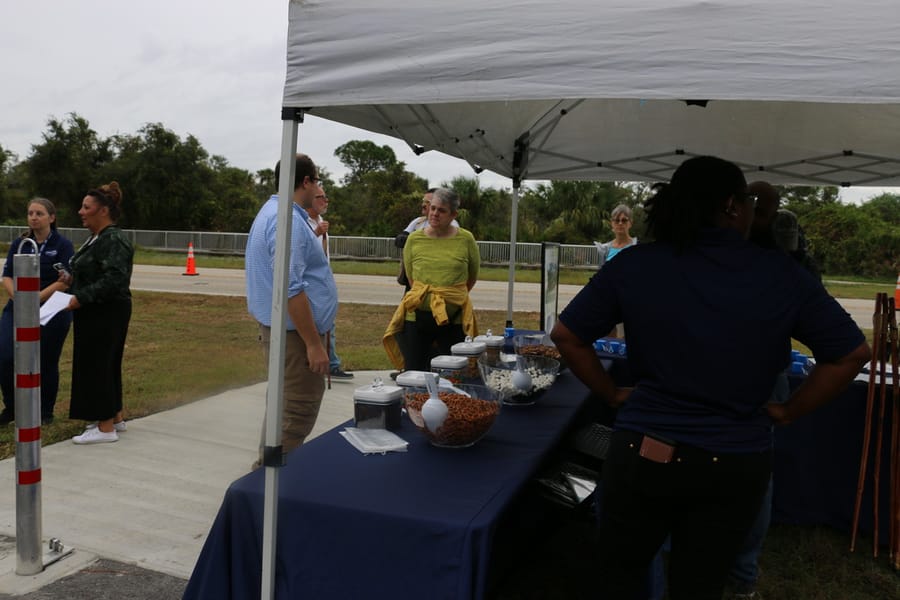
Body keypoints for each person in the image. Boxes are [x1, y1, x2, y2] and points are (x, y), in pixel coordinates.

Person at [550, 155, 870, 600]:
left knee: (618, 577)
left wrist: (612, 392)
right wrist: (789, 410)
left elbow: (566, 336)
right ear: (731, 207)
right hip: (735, 462)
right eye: (748, 201)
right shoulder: (780, 274)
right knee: (699, 585)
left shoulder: (637, 264)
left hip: (644, 452)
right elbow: (851, 353)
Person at [246, 153, 338, 465]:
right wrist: (314, 344)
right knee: (294, 415)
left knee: (282, 411)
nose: (319, 187)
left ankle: (264, 484)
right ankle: (267, 491)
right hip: (296, 339)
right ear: (306, 182)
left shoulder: (277, 213)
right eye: (317, 181)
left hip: (286, 334)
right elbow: (291, 287)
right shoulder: (287, 221)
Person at [63, 182, 134, 444]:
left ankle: (104, 429)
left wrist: (81, 297)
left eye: (86, 207)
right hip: (95, 311)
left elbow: (116, 279)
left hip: (106, 311)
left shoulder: (113, 239)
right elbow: (94, 271)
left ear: (103, 211)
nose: (80, 211)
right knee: (106, 363)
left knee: (99, 363)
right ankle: (115, 417)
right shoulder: (96, 238)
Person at [383, 187, 479, 372]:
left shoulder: (466, 239)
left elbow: (471, 277)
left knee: (452, 374)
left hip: (454, 320)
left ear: (453, 214)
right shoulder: (414, 239)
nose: (434, 214)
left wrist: (449, 298)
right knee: (415, 374)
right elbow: (412, 280)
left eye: (441, 210)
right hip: (416, 318)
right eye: (432, 208)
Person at [0, 198, 75, 426]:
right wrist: (19, 298)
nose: (33, 217)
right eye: (30, 213)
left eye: (39, 213)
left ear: (51, 218)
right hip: (19, 306)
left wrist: (37, 298)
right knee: (4, 357)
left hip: (51, 308)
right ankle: (13, 407)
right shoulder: (20, 243)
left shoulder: (63, 245)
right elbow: (7, 276)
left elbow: (66, 281)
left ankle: (45, 411)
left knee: (46, 360)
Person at [307, 184, 352, 381]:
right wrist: (316, 233)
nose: (326, 201)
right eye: (321, 197)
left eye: (326, 197)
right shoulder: (304, 222)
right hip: (309, 284)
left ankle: (331, 363)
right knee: (320, 326)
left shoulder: (320, 219)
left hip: (323, 280)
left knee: (329, 325)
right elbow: (302, 250)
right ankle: (328, 364)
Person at [594, 203, 638, 269]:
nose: (620, 223)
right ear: (612, 223)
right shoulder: (604, 250)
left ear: (630, 223)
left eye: (624, 220)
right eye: (617, 220)